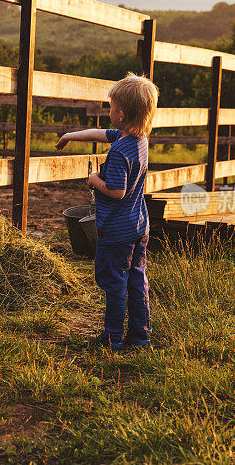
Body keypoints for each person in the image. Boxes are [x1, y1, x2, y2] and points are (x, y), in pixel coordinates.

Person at [55, 73, 157, 351]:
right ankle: (140, 336)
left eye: (110, 107)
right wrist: (70, 136)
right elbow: (100, 133)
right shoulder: (137, 139)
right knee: (137, 280)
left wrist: (93, 180)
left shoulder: (121, 151)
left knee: (113, 283)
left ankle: (112, 338)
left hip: (117, 231)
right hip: (139, 227)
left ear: (121, 115)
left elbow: (116, 190)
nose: (108, 112)